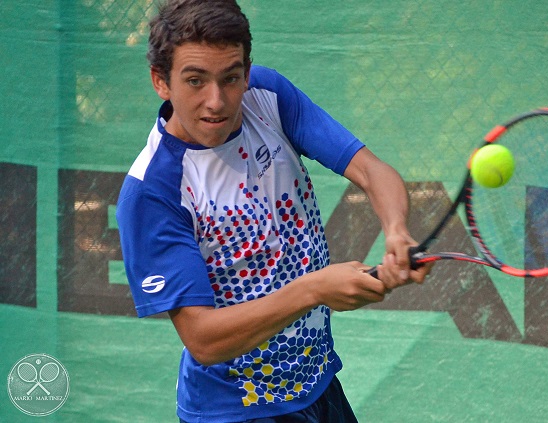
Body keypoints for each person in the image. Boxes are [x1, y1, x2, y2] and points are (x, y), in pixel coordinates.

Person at [116, 0, 432, 421]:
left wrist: (395, 230)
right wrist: (313, 290)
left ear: (246, 72)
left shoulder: (267, 97)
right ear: (161, 82)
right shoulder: (152, 192)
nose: (216, 101)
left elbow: (372, 171)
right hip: (236, 409)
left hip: (317, 384)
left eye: (231, 78)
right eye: (195, 81)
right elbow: (203, 339)